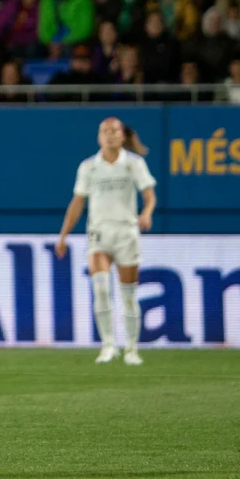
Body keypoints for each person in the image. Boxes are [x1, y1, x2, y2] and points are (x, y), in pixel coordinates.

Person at [55, 118, 157, 367]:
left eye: (114, 131)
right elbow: (77, 203)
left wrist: (146, 214)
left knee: (128, 295)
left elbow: (149, 196)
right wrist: (63, 235)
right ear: (98, 137)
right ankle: (108, 345)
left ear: (123, 136)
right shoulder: (89, 167)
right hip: (99, 233)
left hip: (126, 232)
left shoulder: (134, 164)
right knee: (100, 289)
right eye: (104, 131)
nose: (109, 135)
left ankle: (132, 349)